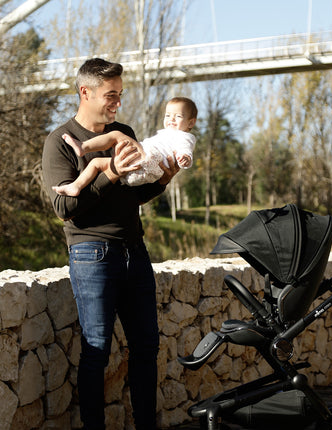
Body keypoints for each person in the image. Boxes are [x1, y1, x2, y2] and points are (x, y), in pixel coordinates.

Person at [42, 57, 179, 430]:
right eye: (110, 94)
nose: (117, 102)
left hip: (135, 250)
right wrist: (111, 174)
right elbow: (65, 208)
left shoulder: (124, 130)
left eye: (120, 93)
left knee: (147, 347)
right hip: (92, 255)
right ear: (85, 92)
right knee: (97, 351)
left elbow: (131, 195)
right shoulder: (59, 142)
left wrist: (163, 179)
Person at [53, 97, 197, 196]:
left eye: (178, 116)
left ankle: (83, 146)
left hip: (150, 161)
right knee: (96, 163)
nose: (171, 119)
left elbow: (186, 150)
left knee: (116, 135)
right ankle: (76, 186)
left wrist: (185, 158)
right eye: (167, 115)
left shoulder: (184, 136)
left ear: (190, 123)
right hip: (141, 171)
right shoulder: (167, 134)